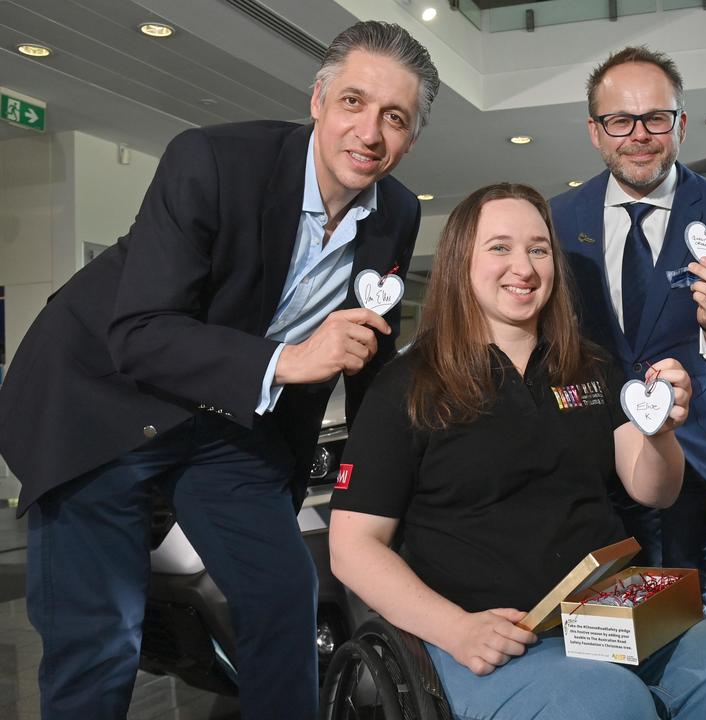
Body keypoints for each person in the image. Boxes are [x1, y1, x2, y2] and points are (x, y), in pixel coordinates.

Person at [0, 21, 438, 720]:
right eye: (354, 101)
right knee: (102, 637)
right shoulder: (212, 160)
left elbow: (368, 351)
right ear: (318, 99)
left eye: (396, 117)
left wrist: (379, 473)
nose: (370, 131)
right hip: (104, 395)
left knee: (282, 599)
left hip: (223, 419)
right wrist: (290, 360)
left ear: (413, 136)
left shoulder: (398, 212)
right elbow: (140, 332)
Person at [329, 183, 706, 719]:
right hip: (487, 635)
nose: (524, 266)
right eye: (500, 248)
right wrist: (457, 629)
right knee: (608, 701)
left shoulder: (589, 367)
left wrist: (659, 430)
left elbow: (655, 489)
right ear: (459, 263)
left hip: (605, 618)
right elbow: (352, 548)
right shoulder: (408, 385)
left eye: (539, 249)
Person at [549, 46, 706, 611]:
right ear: (595, 131)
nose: (638, 135)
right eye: (620, 120)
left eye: (656, 118)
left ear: (680, 125)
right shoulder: (556, 220)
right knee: (603, 620)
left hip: (696, 458)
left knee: (692, 617)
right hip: (593, 458)